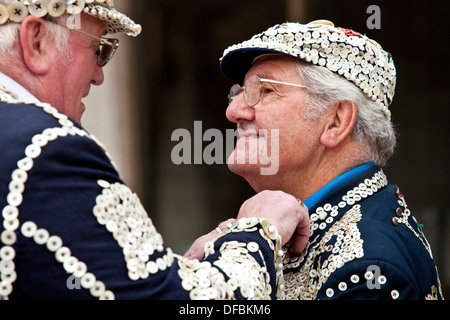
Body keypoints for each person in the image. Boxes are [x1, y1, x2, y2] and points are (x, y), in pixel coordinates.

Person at [0, 0, 310, 300]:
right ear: (36, 42)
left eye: (266, 91)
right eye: (99, 49)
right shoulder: (47, 151)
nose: (99, 75)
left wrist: (190, 268)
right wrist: (255, 232)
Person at [209, 19, 444, 300]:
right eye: (239, 92)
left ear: (336, 121)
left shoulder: (368, 267)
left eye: (265, 90)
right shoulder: (346, 228)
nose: (234, 111)